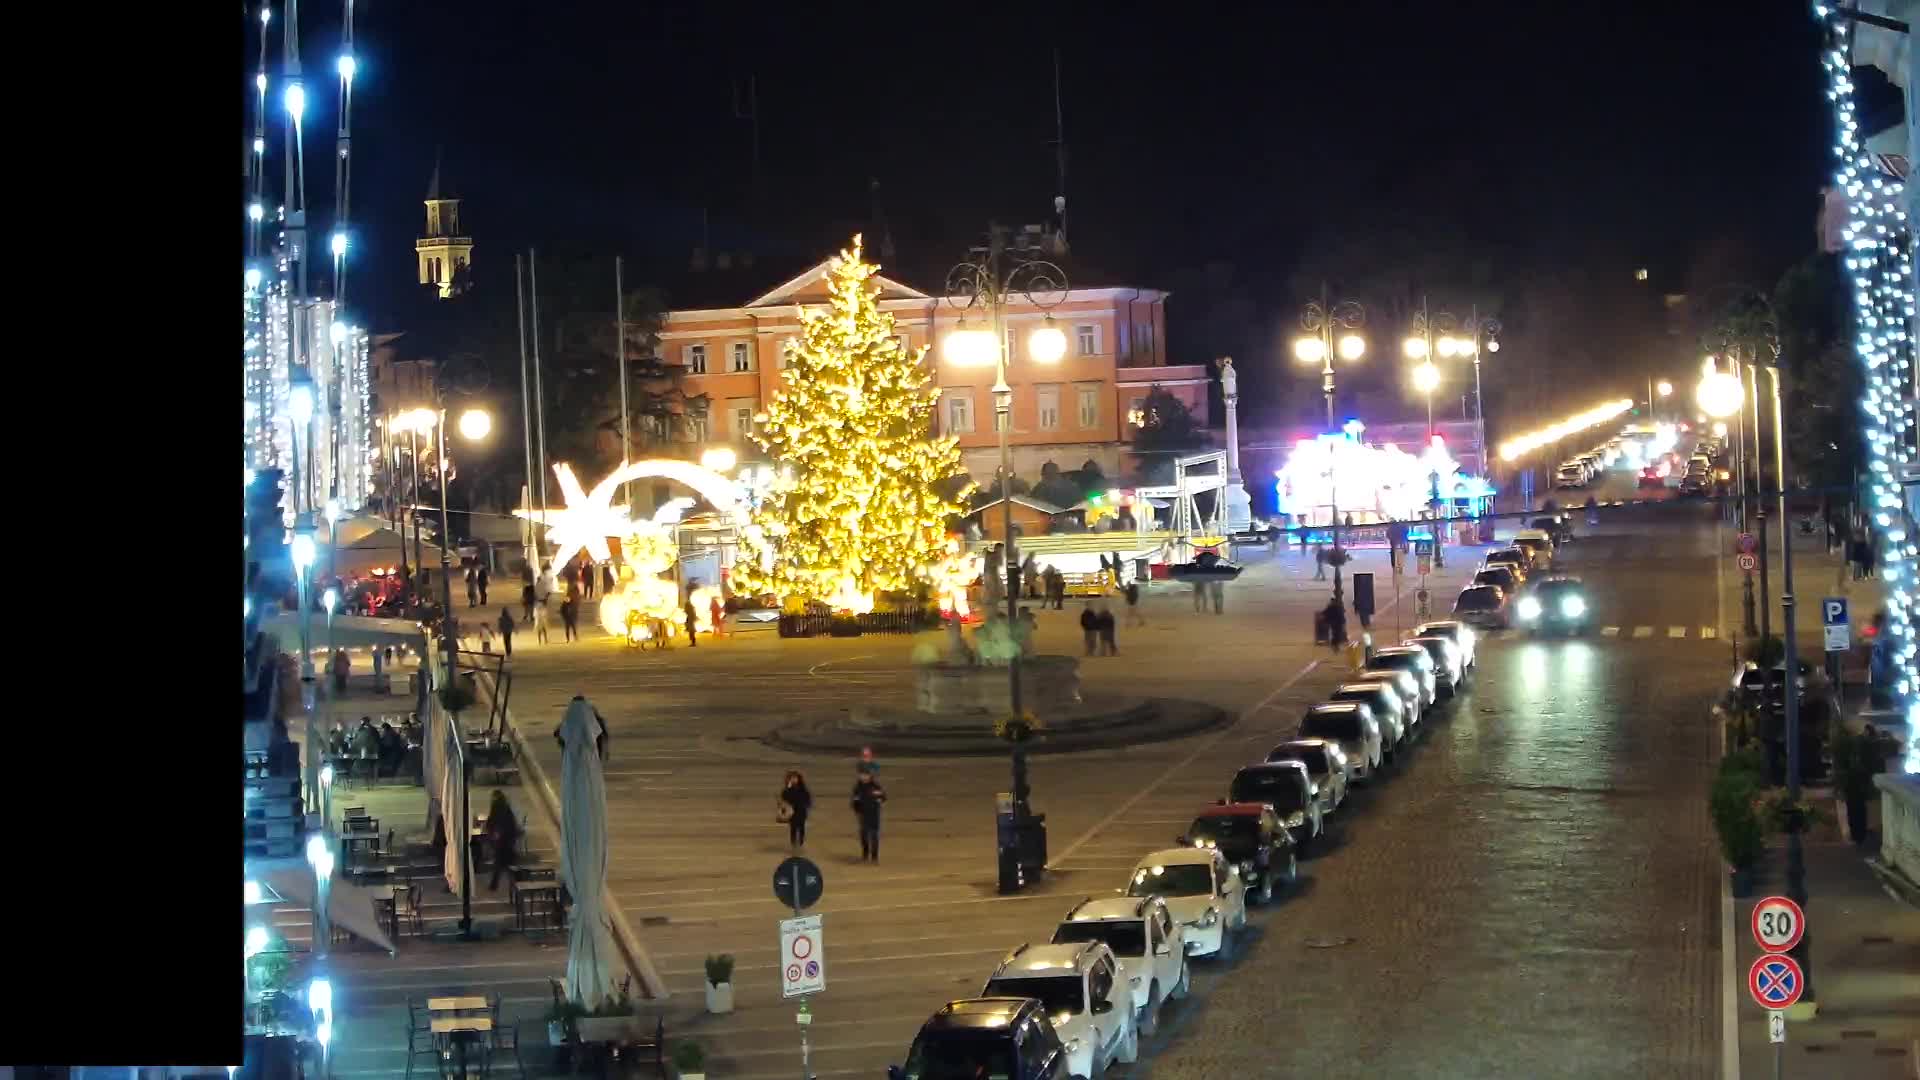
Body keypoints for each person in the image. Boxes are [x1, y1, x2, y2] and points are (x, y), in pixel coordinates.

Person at [485, 789, 521, 890]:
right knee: (509, 861)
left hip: (502, 838)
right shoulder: (506, 806)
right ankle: (518, 881)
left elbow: (492, 821)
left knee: (500, 862)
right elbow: (510, 823)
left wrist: (492, 832)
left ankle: (494, 885)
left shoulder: (496, 806)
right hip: (508, 837)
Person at [851, 768, 887, 863]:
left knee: (874, 836)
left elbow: (884, 797)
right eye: (862, 775)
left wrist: (879, 798)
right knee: (864, 835)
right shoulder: (857, 788)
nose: (863, 777)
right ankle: (865, 853)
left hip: (874, 814)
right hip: (863, 815)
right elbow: (855, 801)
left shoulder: (875, 786)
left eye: (865, 775)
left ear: (870, 776)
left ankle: (874, 856)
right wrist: (857, 811)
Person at [779, 771, 813, 850]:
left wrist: (807, 805)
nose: (793, 780)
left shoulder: (803, 789)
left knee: (801, 828)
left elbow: (807, 798)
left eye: (795, 778)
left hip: (801, 811)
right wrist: (788, 787)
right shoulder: (788, 789)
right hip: (792, 811)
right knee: (793, 828)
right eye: (792, 778)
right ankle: (794, 844)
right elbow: (784, 797)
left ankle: (800, 843)